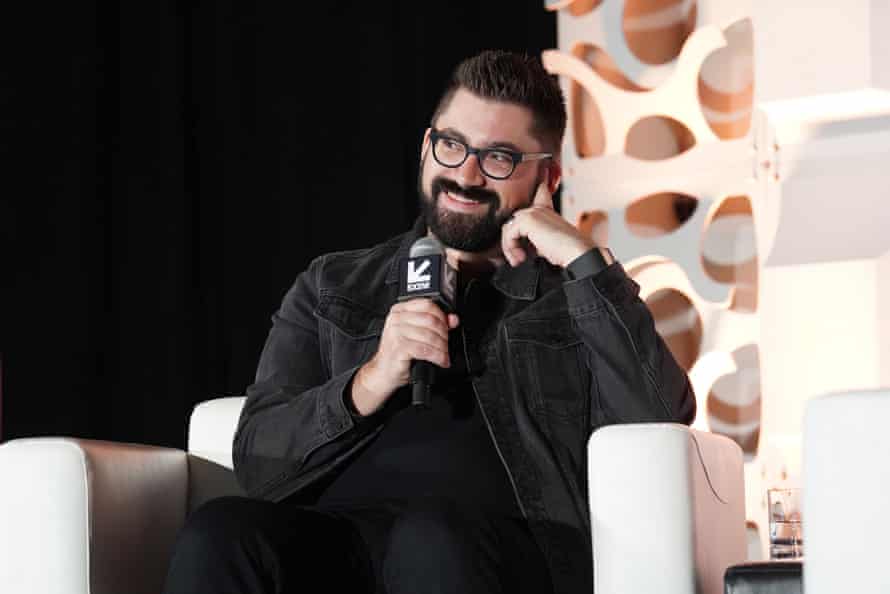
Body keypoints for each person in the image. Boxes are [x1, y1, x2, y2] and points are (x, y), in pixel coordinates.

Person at [163, 49, 696, 594]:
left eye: (499, 158)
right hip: (339, 548)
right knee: (220, 531)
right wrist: (372, 379)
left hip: (495, 553)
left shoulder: (573, 298)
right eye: (452, 145)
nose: (465, 175)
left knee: (430, 537)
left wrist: (586, 262)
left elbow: (658, 421)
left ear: (548, 177)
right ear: (426, 147)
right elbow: (258, 459)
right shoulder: (333, 285)